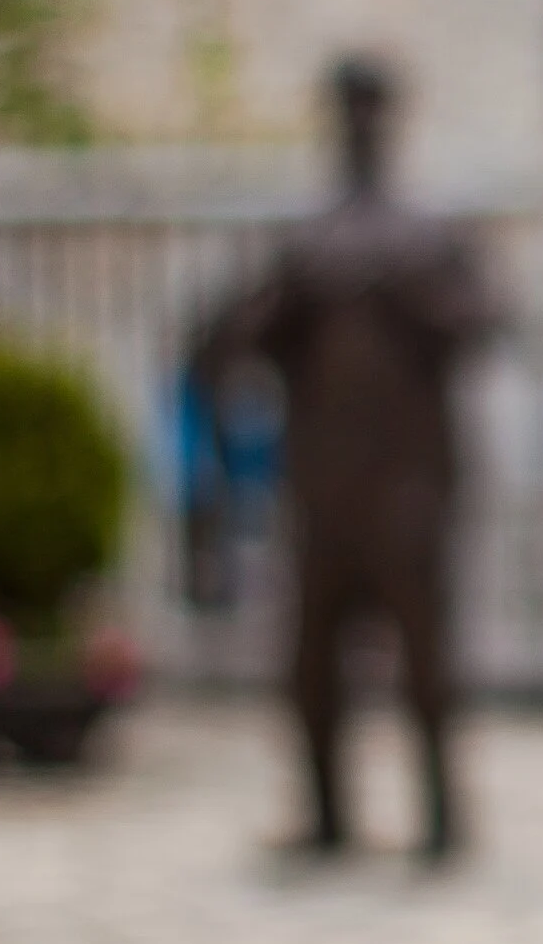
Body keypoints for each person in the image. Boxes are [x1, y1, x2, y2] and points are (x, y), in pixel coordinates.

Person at [193, 57, 499, 860]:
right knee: (312, 660)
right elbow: (239, 340)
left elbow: (485, 322)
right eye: (348, 110)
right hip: (320, 487)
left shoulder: (426, 236)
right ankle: (328, 816)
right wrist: (297, 297)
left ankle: (441, 817)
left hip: (408, 486)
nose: (359, 124)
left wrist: (401, 291)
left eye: (369, 110)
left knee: (425, 658)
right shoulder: (307, 243)